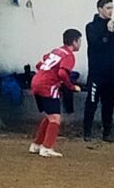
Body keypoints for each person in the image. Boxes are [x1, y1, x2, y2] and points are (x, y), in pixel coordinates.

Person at [30, 29, 82, 158]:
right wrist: (71, 86)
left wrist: (45, 74)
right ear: (74, 42)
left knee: (49, 116)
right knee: (55, 118)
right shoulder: (69, 56)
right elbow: (62, 73)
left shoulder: (56, 51)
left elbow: (39, 64)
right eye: (79, 41)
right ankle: (47, 147)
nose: (80, 44)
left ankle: (37, 144)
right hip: (48, 86)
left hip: (36, 81)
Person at [83, 0, 114, 143]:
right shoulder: (91, 27)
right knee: (92, 102)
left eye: (112, 8)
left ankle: (107, 132)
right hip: (97, 72)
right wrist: (107, 33)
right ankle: (87, 131)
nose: (110, 11)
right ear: (100, 9)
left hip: (112, 73)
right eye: (108, 8)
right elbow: (96, 44)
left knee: (109, 104)